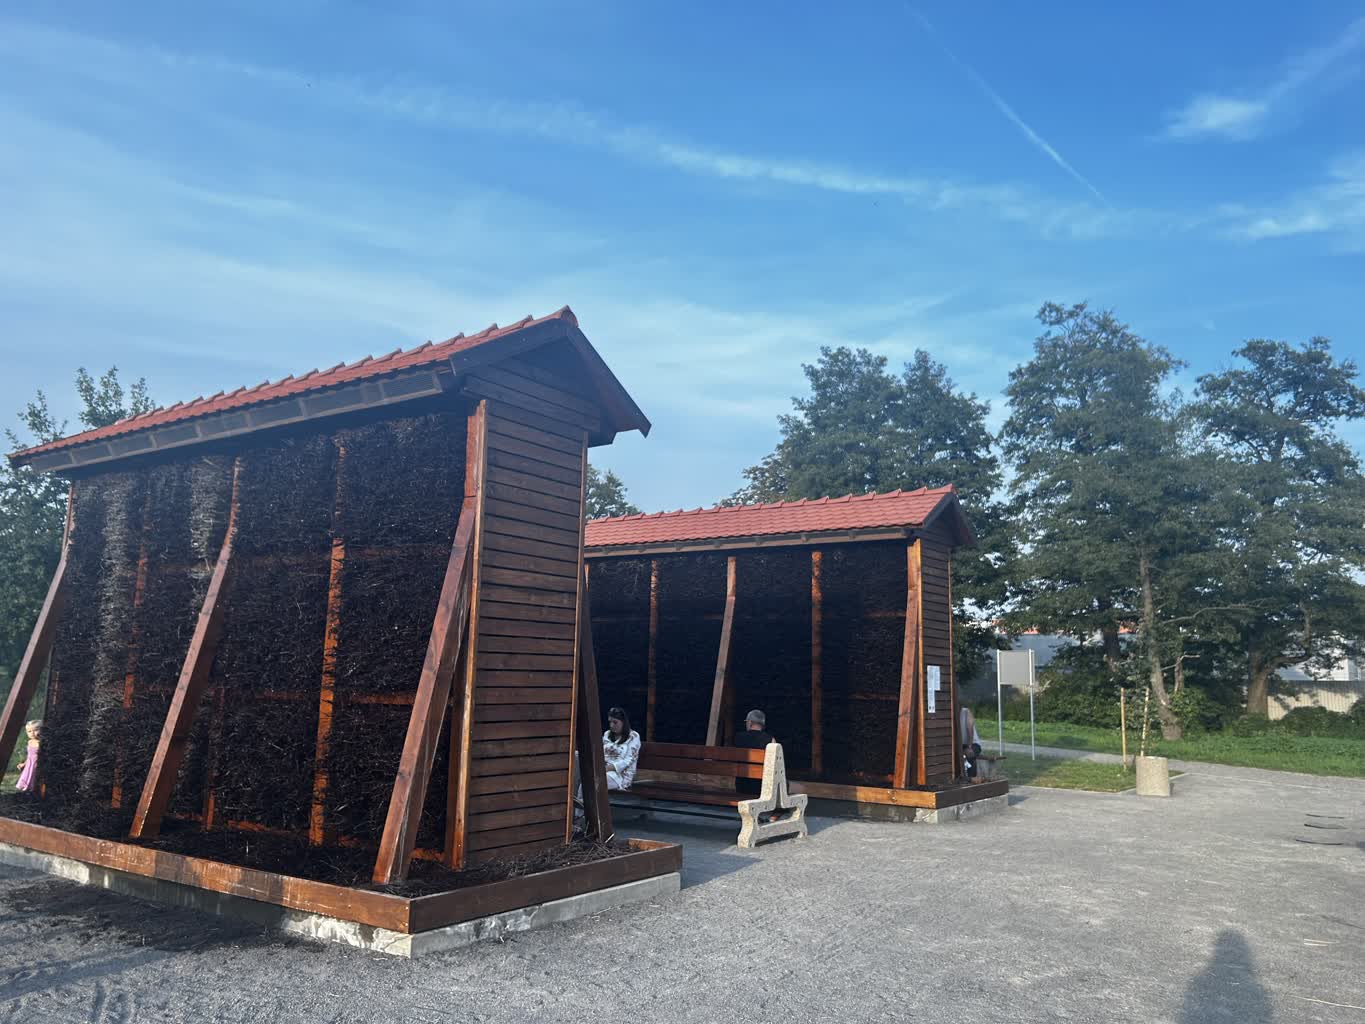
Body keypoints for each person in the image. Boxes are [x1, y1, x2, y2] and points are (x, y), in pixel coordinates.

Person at [732, 709, 772, 797]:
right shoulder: (770, 740)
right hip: (761, 788)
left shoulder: (738, 737)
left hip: (741, 786)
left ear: (750, 722)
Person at [602, 707, 640, 791]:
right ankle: (577, 799)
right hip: (603, 771)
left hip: (620, 775)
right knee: (587, 779)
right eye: (610, 722)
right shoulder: (607, 734)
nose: (611, 725)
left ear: (623, 722)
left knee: (596, 781)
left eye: (615, 722)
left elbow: (628, 760)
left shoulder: (633, 736)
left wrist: (608, 768)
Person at [959, 698, 983, 780]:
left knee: (970, 754)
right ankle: (962, 778)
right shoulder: (951, 714)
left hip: (973, 743)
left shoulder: (966, 712)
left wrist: (969, 747)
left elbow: (970, 730)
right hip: (961, 745)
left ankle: (972, 779)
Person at [15, 720, 40, 793]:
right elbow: (30, 756)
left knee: (34, 779)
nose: (32, 733)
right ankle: (26, 790)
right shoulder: (30, 742)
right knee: (26, 776)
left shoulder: (41, 743)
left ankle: (34, 791)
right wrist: (24, 764)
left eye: (35, 730)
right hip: (29, 764)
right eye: (29, 731)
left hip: (37, 764)